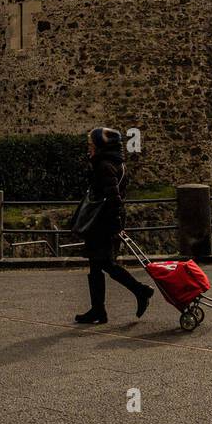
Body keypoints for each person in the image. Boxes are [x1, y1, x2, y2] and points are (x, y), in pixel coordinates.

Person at [74, 126, 154, 325]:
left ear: (102, 145)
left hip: (103, 223)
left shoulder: (105, 166)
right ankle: (98, 310)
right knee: (95, 265)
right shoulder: (113, 164)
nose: (89, 149)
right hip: (103, 222)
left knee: (105, 264)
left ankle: (140, 290)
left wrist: (116, 224)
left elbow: (113, 198)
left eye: (92, 145)